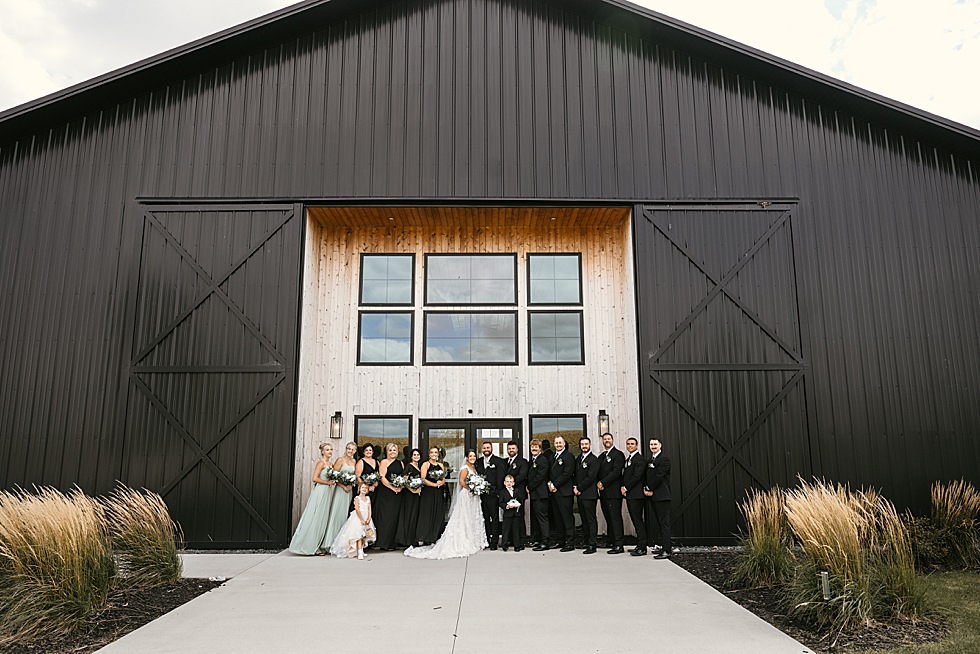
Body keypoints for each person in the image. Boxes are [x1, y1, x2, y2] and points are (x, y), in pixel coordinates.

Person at [405, 450, 488, 559]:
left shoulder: (473, 468)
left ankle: (473, 539)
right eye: (470, 456)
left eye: (474, 456)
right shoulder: (465, 468)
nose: (472, 457)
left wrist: (477, 488)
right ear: (467, 457)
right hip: (466, 495)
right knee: (464, 516)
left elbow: (444, 478)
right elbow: (461, 482)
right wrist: (472, 488)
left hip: (473, 496)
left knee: (471, 517)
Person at [288, 442, 337, 555]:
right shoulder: (321, 463)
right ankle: (310, 546)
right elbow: (314, 478)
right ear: (322, 452)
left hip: (327, 492)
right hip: (320, 491)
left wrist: (333, 481)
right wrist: (327, 482)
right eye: (327, 450)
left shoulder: (331, 464)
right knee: (316, 517)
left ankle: (318, 544)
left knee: (322, 518)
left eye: (331, 449)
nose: (330, 451)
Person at [323, 441, 357, 549]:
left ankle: (342, 542)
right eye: (349, 448)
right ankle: (331, 542)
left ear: (355, 451)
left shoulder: (354, 461)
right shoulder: (340, 460)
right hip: (340, 490)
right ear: (346, 449)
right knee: (337, 514)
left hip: (349, 491)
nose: (350, 451)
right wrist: (343, 486)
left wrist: (350, 485)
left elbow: (354, 476)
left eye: (353, 449)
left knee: (345, 515)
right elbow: (334, 476)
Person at [330, 483, 376, 560]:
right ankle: (359, 552)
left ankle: (361, 550)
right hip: (358, 518)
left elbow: (369, 509)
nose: (364, 489)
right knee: (358, 535)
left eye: (366, 488)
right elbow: (357, 509)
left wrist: (368, 518)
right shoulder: (357, 498)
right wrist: (361, 519)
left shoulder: (368, 498)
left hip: (366, 517)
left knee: (364, 535)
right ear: (359, 489)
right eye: (362, 487)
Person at [596, 432, 625, 554]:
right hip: (603, 493)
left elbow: (616, 472)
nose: (606, 440)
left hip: (613, 492)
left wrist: (603, 482)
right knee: (608, 517)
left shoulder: (618, 455)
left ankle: (619, 544)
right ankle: (611, 540)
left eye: (609, 438)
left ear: (612, 440)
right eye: (605, 439)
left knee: (615, 517)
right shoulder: (602, 456)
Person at [644, 438, 672, 559]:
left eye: (655, 444)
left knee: (664, 523)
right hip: (654, 495)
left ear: (660, 445)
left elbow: (659, 476)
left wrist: (649, 487)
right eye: (651, 444)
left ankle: (667, 550)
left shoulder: (664, 459)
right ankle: (663, 546)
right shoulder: (651, 459)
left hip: (662, 496)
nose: (653, 446)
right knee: (660, 523)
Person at [374, 443, 404, 550]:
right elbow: (382, 477)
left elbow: (403, 476)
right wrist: (392, 487)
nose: (392, 452)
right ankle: (384, 543)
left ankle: (392, 543)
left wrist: (401, 486)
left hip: (398, 494)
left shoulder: (400, 463)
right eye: (390, 450)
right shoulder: (384, 462)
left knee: (394, 517)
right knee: (385, 517)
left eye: (394, 450)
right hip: (386, 493)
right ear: (386, 452)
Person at [476, 441, 505, 550]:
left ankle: (494, 542)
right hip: (482, 495)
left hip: (493, 495)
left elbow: (500, 477)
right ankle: (487, 539)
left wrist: (498, 492)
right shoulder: (478, 462)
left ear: (491, 448)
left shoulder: (498, 461)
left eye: (488, 447)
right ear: (482, 449)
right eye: (484, 448)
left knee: (494, 518)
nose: (486, 449)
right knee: (485, 518)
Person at [415, 446, 447, 545]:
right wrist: (433, 484)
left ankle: (436, 536)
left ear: (438, 454)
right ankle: (426, 537)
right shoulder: (426, 464)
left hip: (438, 492)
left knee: (438, 512)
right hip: (428, 492)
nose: (434, 454)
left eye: (436, 452)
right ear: (429, 454)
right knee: (427, 513)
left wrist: (441, 482)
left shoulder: (441, 465)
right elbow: (423, 479)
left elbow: (443, 478)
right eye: (432, 452)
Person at [548, 436, 576, 551]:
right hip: (554, 493)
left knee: (567, 518)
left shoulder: (569, 456)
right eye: (556, 443)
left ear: (564, 444)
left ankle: (570, 542)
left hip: (564, 492)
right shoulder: (552, 457)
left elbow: (567, 473)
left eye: (560, 443)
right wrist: (550, 484)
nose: (558, 445)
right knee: (558, 518)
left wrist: (555, 485)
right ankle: (560, 541)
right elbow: (549, 472)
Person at [621, 437, 647, 556]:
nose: (630, 446)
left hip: (636, 495)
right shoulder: (629, 459)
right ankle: (639, 545)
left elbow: (637, 476)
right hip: (630, 495)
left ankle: (642, 547)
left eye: (632, 444)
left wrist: (626, 488)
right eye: (628, 444)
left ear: (636, 446)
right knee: (635, 520)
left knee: (638, 520)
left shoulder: (639, 459)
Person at [574, 436, 600, 554]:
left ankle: (592, 544)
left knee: (590, 520)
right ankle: (586, 541)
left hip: (589, 494)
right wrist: (575, 487)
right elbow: (575, 475)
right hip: (580, 494)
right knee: (584, 519)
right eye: (582, 444)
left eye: (586, 444)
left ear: (590, 445)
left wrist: (579, 488)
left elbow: (591, 477)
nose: (584, 446)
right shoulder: (579, 458)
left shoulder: (594, 460)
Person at [396, 448, 423, 547]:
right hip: (409, 494)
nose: (416, 456)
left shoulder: (419, 466)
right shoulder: (409, 466)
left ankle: (413, 538)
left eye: (418, 455)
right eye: (414, 455)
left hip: (416, 494)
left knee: (415, 515)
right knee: (409, 514)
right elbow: (404, 480)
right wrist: (412, 489)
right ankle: (407, 540)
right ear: (411, 456)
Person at [528, 439, 552, 550]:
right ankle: (537, 539)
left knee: (542, 518)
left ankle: (545, 542)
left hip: (541, 494)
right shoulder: (532, 460)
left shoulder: (543, 460)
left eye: (536, 447)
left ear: (540, 448)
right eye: (532, 447)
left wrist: (529, 487)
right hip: (535, 494)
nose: (534, 448)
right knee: (536, 518)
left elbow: (539, 477)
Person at [499, 474, 526, 551]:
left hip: (516, 514)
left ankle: (517, 546)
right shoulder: (502, 492)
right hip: (507, 514)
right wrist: (507, 506)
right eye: (507, 481)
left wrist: (518, 504)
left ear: (513, 483)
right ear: (504, 483)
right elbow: (500, 503)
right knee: (506, 530)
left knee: (516, 530)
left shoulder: (517, 491)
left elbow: (520, 500)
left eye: (511, 482)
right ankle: (504, 545)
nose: (509, 483)